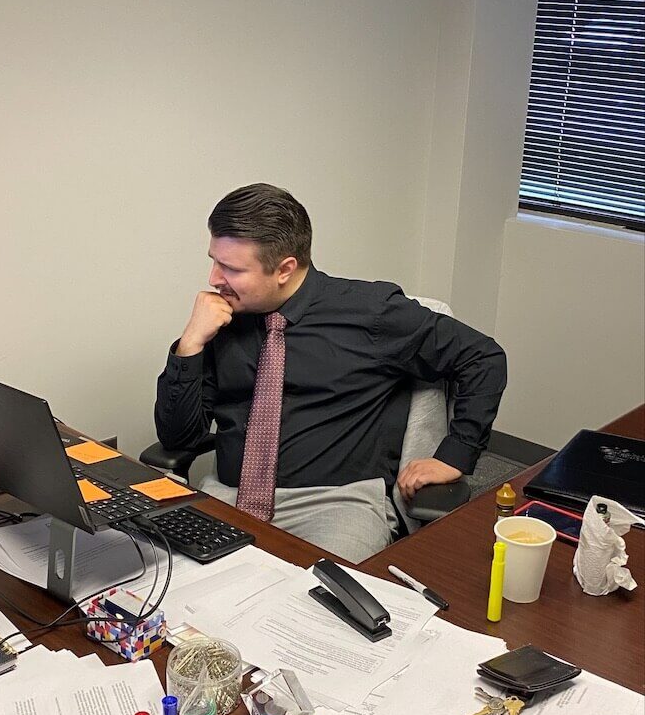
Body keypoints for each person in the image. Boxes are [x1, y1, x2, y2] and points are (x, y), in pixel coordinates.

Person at [155, 183, 507, 563]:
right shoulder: (221, 320)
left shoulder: (370, 313)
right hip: (228, 494)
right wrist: (189, 345)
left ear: (285, 269)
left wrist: (455, 455)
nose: (213, 278)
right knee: (162, 593)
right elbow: (178, 439)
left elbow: (482, 357)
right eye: (214, 260)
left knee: (317, 610)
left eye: (231, 268)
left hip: (336, 505)